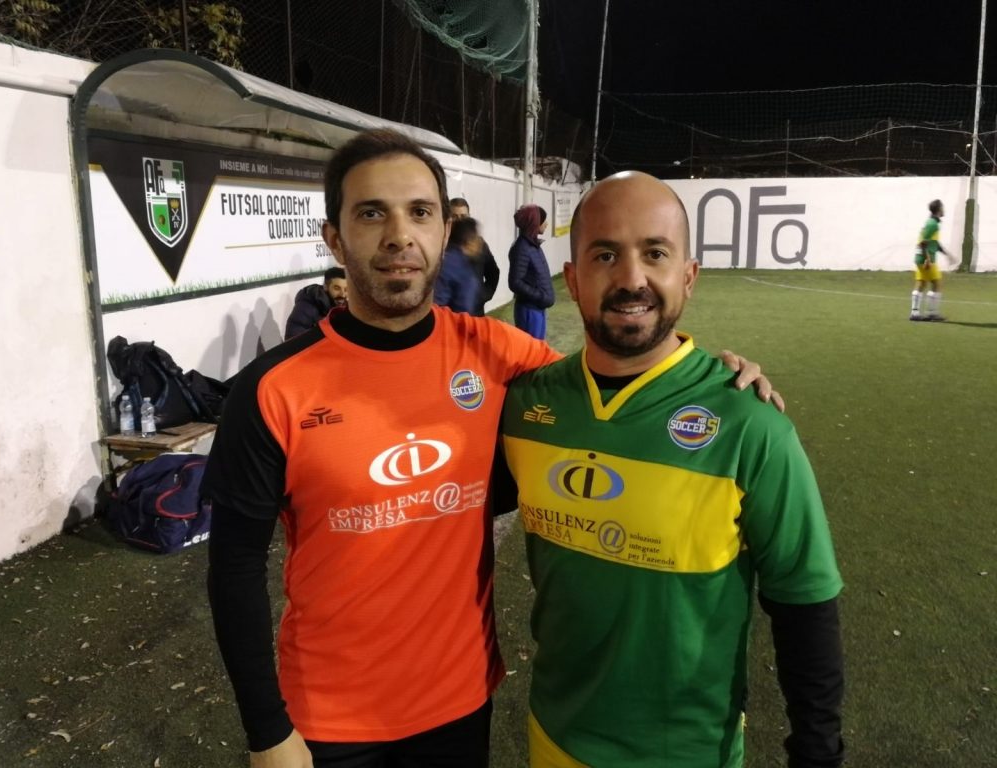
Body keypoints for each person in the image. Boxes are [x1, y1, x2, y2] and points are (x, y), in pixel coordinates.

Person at [203, 129, 779, 768]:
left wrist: (715, 379)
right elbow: (233, 568)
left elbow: (616, 384)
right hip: (329, 721)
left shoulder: (498, 354)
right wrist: (267, 731)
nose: (399, 235)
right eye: (371, 214)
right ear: (335, 239)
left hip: (460, 703)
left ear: (444, 231)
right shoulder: (272, 389)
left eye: (419, 212)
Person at [501, 171, 844, 768]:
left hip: (688, 752)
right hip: (554, 735)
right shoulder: (526, 407)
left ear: (688, 275)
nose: (631, 278)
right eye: (605, 254)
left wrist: (818, 754)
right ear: (573, 280)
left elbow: (804, 603)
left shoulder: (749, 423)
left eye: (655, 253)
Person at [508, 204, 555, 339]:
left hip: (538, 309)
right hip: (529, 311)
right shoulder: (521, 248)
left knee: (539, 348)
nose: (546, 224)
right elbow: (515, 282)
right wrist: (540, 296)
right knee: (530, 350)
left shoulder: (533, 245)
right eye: (543, 220)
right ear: (534, 223)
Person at [450, 197, 500, 315]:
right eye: (455, 216)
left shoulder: (479, 244)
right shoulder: (441, 244)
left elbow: (493, 272)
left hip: (476, 314)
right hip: (450, 315)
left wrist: (483, 295)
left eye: (463, 216)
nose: (459, 221)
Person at [910, 199, 957, 322]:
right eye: (942, 207)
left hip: (921, 257)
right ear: (938, 209)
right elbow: (923, 243)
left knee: (921, 283)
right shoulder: (932, 224)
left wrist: (947, 255)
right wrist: (927, 259)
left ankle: (915, 313)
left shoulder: (932, 222)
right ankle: (932, 313)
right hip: (926, 259)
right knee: (936, 283)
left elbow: (934, 243)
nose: (944, 210)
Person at [435, 217, 485, 315]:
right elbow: (463, 306)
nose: (480, 243)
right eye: (477, 238)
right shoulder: (458, 267)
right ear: (470, 241)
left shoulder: (446, 258)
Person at [283, 266, 348, 339]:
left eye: (346, 289)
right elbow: (293, 340)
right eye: (337, 288)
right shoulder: (306, 306)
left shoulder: (347, 307)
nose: (343, 294)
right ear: (326, 287)